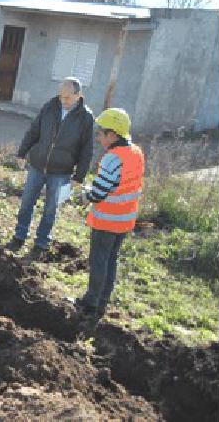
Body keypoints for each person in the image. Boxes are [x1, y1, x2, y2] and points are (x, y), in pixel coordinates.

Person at [5, 77, 95, 258]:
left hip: (61, 172)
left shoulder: (86, 118)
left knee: (51, 209)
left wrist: (79, 176)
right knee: (26, 203)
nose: (63, 101)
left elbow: (87, 149)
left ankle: (41, 243)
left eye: (67, 97)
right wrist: (22, 152)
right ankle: (19, 237)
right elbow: (34, 131)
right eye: (61, 96)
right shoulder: (50, 107)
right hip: (37, 165)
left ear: (79, 96)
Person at [73, 108, 145, 320]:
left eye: (101, 133)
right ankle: (102, 302)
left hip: (107, 221)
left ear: (112, 134)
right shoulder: (136, 152)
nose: (98, 137)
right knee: (111, 260)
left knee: (99, 261)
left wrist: (85, 194)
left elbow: (98, 193)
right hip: (125, 219)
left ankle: (90, 303)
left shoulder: (112, 158)